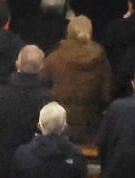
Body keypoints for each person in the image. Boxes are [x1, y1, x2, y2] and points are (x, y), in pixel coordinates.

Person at [44, 16, 112, 144]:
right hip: (90, 126)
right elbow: (105, 96)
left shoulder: (54, 59)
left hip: (59, 126)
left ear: (68, 32)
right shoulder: (101, 60)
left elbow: (41, 85)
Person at [0, 44, 54, 157]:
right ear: (41, 67)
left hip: (1, 160)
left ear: (17, 64)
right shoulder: (48, 99)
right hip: (34, 162)